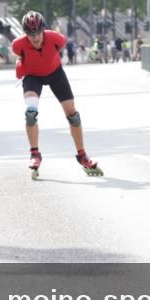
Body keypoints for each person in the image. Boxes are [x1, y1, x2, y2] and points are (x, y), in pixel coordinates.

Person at [12, 11, 103, 179]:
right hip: (33, 77)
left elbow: (58, 51)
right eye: (31, 34)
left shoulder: (56, 39)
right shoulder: (18, 45)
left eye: (38, 33)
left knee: (73, 116)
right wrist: (20, 65)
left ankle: (82, 156)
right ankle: (35, 154)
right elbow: (20, 58)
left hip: (55, 74)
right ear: (25, 33)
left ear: (43, 30)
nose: (36, 37)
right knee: (30, 114)